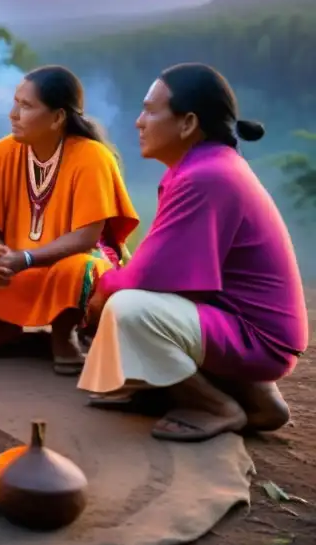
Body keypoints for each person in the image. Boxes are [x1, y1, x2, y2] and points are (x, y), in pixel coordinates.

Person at [78, 63, 307, 442]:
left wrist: (102, 290)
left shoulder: (206, 176)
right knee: (128, 300)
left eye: (151, 111)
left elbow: (150, 276)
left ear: (187, 124)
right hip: (241, 325)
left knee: (127, 309)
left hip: (257, 338)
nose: (139, 122)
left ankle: (216, 406)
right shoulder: (202, 166)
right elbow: (170, 269)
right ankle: (250, 396)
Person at [0, 66, 140, 374]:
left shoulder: (92, 157)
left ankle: (64, 336)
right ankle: (3, 329)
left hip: (63, 266)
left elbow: (86, 238)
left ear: (58, 117)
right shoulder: (3, 151)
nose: (13, 114)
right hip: (15, 264)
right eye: (15, 102)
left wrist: (27, 258)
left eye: (26, 106)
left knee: (83, 270)